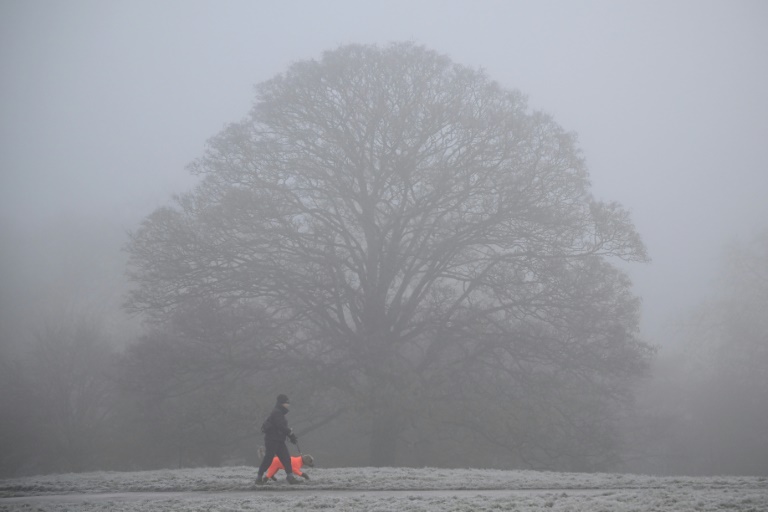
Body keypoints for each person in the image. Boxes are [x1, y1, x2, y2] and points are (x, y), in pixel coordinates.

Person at [256, 394, 299, 485]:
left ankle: (290, 477)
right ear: (282, 403)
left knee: (286, 458)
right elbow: (281, 426)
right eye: (287, 403)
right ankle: (259, 477)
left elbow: (281, 427)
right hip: (272, 440)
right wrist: (290, 434)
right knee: (269, 458)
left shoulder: (279, 412)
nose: (288, 405)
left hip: (279, 440)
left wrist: (290, 435)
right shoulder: (277, 412)